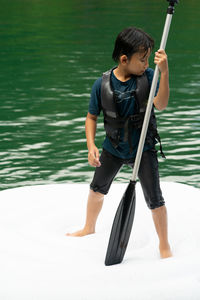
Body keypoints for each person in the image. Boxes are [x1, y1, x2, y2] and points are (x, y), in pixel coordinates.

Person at [66, 27, 172, 259]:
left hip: (143, 149)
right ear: (124, 59)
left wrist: (164, 73)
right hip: (112, 149)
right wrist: (91, 145)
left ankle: (164, 244)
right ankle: (88, 227)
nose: (146, 64)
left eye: (148, 59)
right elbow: (91, 117)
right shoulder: (100, 85)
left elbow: (161, 104)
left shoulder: (149, 77)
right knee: (96, 189)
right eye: (142, 59)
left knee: (155, 198)